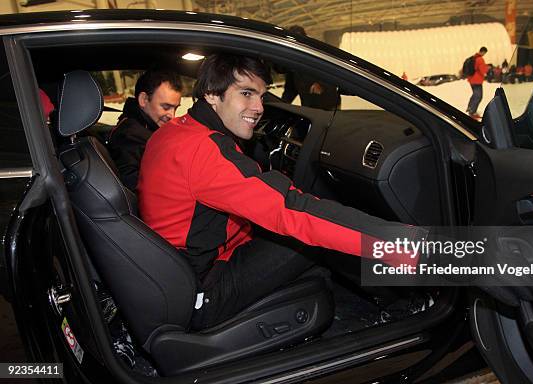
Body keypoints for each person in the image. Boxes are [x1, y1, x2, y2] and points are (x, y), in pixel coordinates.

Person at [138, 53, 425, 330]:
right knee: (312, 230)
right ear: (212, 94)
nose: (259, 107)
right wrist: (405, 244)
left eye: (262, 96)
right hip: (200, 293)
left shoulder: (175, 132)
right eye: (246, 93)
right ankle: (401, 305)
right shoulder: (204, 150)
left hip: (175, 279)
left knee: (310, 227)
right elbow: (292, 209)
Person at [107, 69, 183, 191]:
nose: (172, 115)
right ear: (144, 100)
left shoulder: (144, 128)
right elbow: (132, 184)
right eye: (166, 107)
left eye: (175, 108)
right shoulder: (130, 136)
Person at [281, 26, 340, 111]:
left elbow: (332, 74)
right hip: (309, 107)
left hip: (329, 106)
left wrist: (321, 84)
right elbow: (290, 89)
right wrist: (283, 104)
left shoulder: (317, 53)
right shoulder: (293, 60)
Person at [466, 46, 488, 120]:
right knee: (479, 96)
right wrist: (486, 70)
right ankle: (472, 112)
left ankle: (470, 108)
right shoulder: (480, 59)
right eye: (485, 53)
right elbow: (482, 70)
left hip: (472, 80)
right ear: (483, 51)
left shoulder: (474, 57)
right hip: (477, 80)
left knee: (475, 95)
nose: (484, 54)